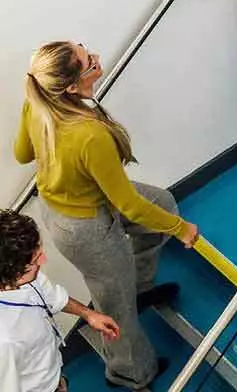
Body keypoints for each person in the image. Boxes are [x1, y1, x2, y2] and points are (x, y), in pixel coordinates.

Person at [15, 41, 199, 389]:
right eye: (89, 61)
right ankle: (130, 373)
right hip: (86, 229)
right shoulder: (90, 135)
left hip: (64, 204)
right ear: (71, 86)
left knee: (161, 202)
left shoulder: (38, 102)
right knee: (117, 310)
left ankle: (138, 288)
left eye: (86, 50)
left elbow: (22, 153)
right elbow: (129, 205)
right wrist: (180, 228)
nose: (96, 59)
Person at [0, 210, 120, 392]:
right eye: (35, 260)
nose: (44, 260)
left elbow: (52, 297)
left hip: (54, 373)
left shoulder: (24, 278)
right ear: (14, 273)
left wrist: (88, 314)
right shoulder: (5, 340)